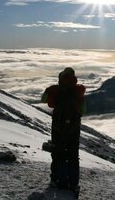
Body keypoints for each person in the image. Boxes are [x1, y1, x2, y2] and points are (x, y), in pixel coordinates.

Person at [41, 67, 86, 195]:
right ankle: (73, 184)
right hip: (74, 129)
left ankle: (57, 180)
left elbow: (43, 100)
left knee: (58, 154)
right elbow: (83, 110)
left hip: (57, 128)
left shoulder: (55, 90)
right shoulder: (78, 91)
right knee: (73, 156)